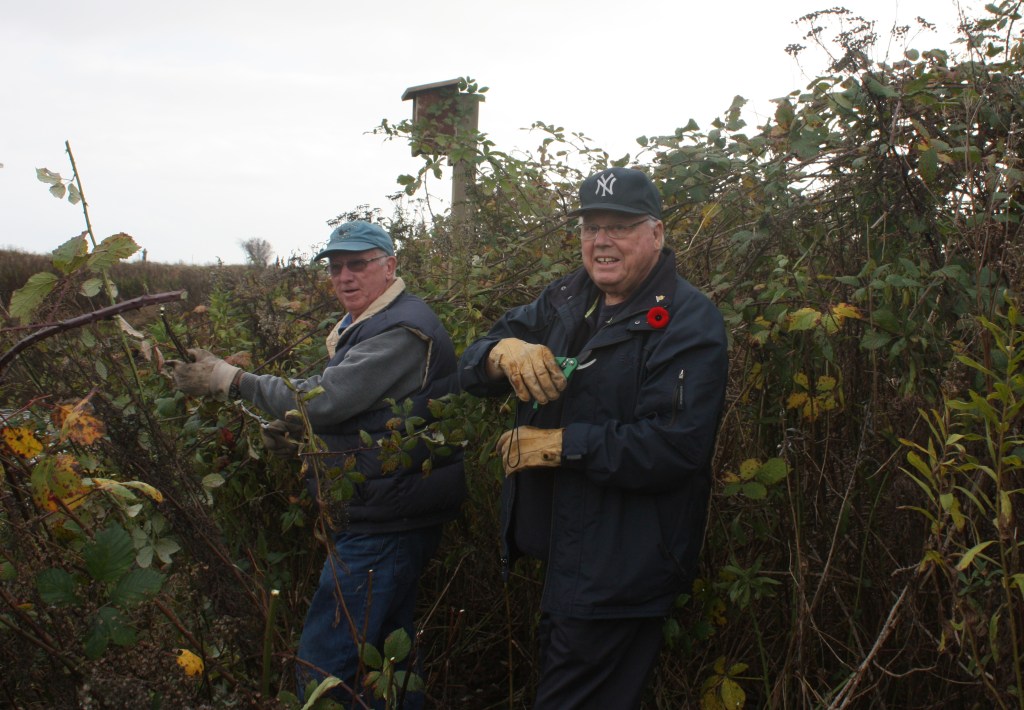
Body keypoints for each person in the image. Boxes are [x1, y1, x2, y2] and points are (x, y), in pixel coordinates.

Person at [458, 167, 728, 708]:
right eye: (590, 227)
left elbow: (676, 446)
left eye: (619, 227)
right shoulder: (565, 297)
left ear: (656, 233)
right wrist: (500, 353)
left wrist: (557, 445)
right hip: (566, 557)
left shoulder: (686, 320)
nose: (601, 241)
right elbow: (467, 368)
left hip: (622, 569)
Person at [168, 220, 465, 707]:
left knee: (326, 659)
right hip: (390, 508)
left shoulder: (402, 330)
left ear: (390, 266)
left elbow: (325, 399)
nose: (345, 277)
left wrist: (229, 378)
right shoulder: (370, 322)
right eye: (336, 268)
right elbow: (367, 412)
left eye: (358, 265)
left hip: (386, 519)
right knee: (388, 659)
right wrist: (306, 439)